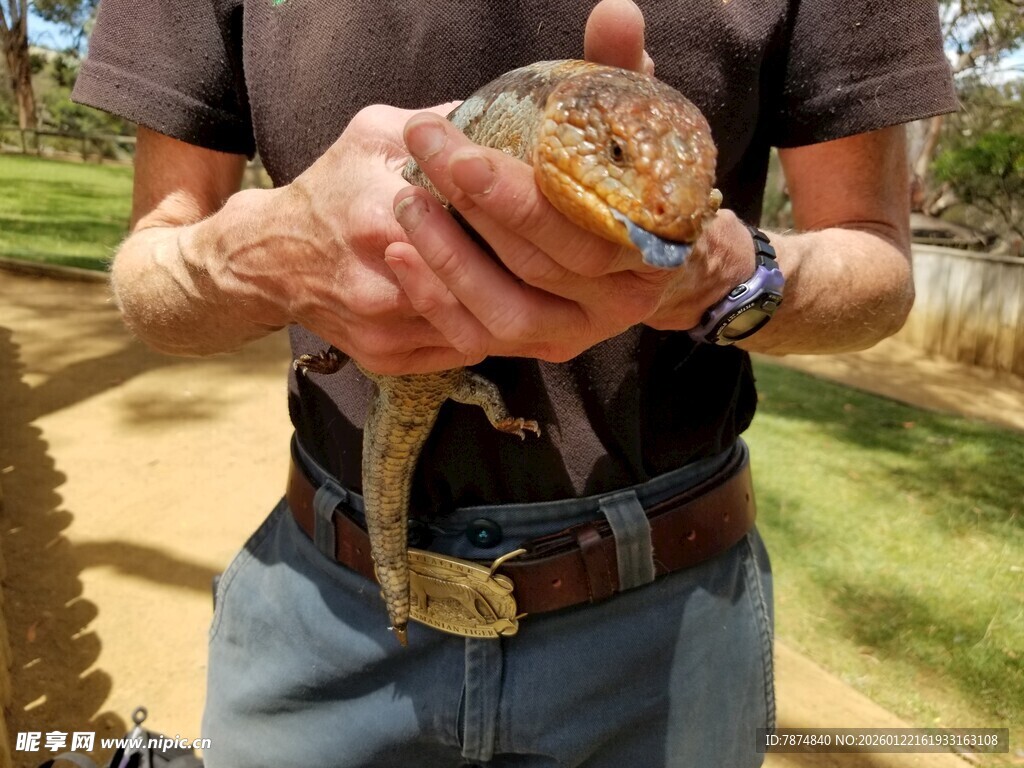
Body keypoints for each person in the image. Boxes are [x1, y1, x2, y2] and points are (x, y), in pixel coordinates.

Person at [72, 1, 957, 766]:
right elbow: (154, 271)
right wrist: (256, 264)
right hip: (317, 622)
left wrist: (727, 275)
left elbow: (875, 265)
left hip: (666, 643)